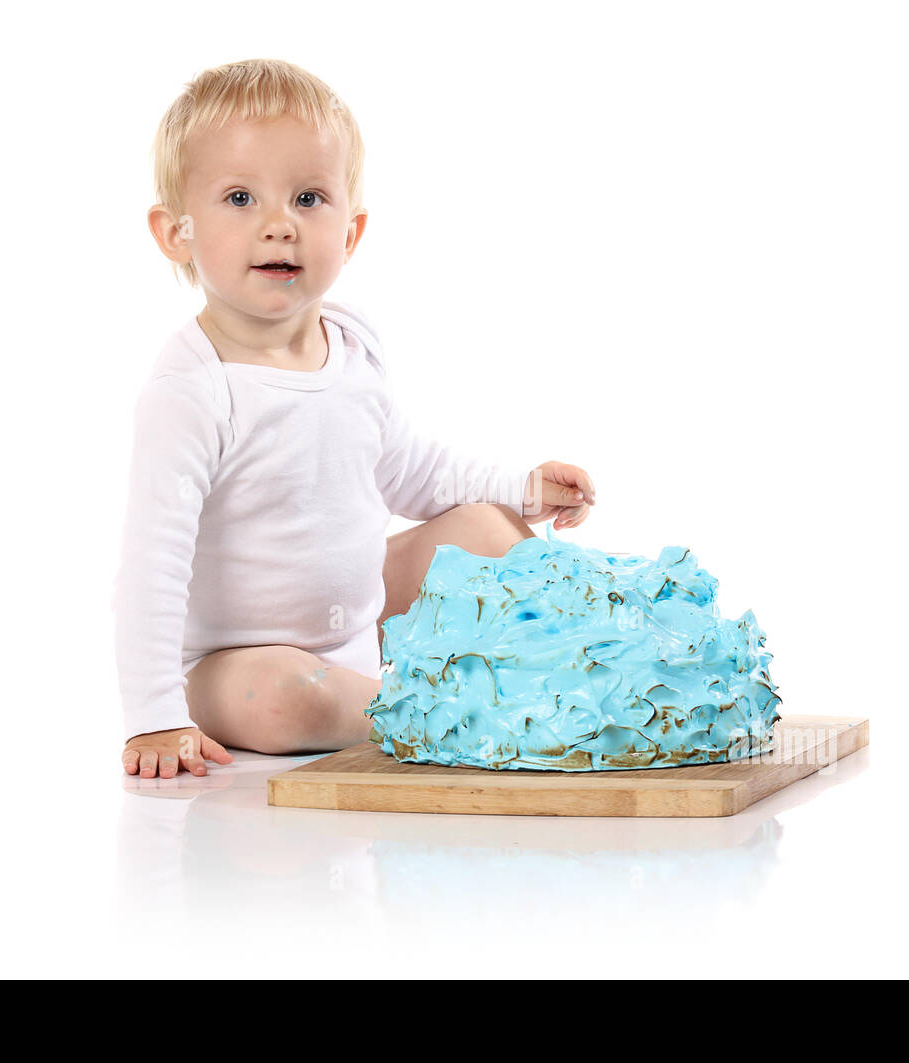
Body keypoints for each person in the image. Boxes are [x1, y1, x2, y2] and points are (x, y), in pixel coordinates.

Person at [115, 58, 596, 780]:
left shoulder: (352, 343)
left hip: (354, 619)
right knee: (285, 698)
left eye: (309, 198)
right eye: (240, 198)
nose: (279, 226)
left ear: (351, 232)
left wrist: (520, 486)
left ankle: (583, 665)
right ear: (175, 233)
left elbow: (412, 469)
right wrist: (156, 717)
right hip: (234, 665)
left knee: (485, 528)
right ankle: (432, 707)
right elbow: (151, 566)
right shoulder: (193, 390)